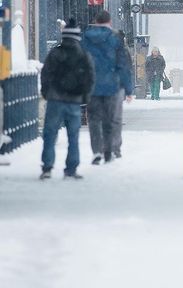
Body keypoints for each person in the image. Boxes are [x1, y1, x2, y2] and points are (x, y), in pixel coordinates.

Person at [40, 18, 95, 180]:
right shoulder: (83, 55)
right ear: (78, 37)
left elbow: (45, 74)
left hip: (55, 99)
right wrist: (84, 97)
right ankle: (71, 168)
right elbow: (90, 77)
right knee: (73, 136)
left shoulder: (55, 53)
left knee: (50, 134)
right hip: (74, 100)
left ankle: (47, 167)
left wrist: (46, 92)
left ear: (64, 36)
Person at [82, 11, 133, 164]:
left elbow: (81, 62)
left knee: (94, 120)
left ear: (95, 21)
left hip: (92, 85)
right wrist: (128, 89)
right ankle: (110, 150)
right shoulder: (115, 39)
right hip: (112, 86)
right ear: (110, 22)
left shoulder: (86, 38)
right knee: (111, 119)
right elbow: (122, 66)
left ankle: (97, 151)